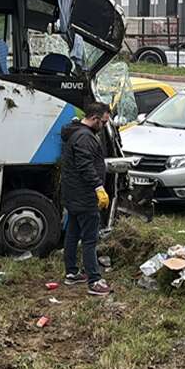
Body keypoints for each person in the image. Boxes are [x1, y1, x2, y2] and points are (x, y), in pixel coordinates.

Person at [60, 103, 112, 296]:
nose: (104, 126)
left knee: (72, 233)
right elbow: (85, 166)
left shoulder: (75, 132)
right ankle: (94, 281)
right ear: (95, 118)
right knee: (90, 239)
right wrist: (98, 187)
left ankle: (71, 273)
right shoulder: (85, 137)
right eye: (104, 122)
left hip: (72, 194)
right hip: (85, 195)